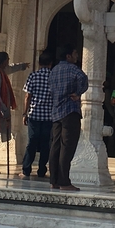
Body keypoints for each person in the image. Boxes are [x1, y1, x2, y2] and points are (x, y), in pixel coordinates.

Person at [48, 44, 88, 191]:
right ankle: (64, 181)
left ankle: (54, 180)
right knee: (67, 146)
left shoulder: (54, 70)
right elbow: (83, 79)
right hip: (70, 111)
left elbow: (50, 89)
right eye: (75, 53)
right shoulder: (73, 69)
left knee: (55, 145)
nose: (77, 56)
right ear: (68, 56)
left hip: (56, 112)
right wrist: (77, 93)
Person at [0, 52, 29, 176]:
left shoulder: (1, 71)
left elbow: (11, 68)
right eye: (7, 60)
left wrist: (22, 66)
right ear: (4, 61)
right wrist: (4, 111)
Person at [20, 50, 54, 179]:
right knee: (45, 143)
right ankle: (41, 170)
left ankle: (26, 169)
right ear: (51, 64)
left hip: (34, 114)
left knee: (32, 143)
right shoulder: (53, 77)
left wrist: (25, 113)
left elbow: (28, 96)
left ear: (39, 63)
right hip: (48, 116)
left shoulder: (33, 76)